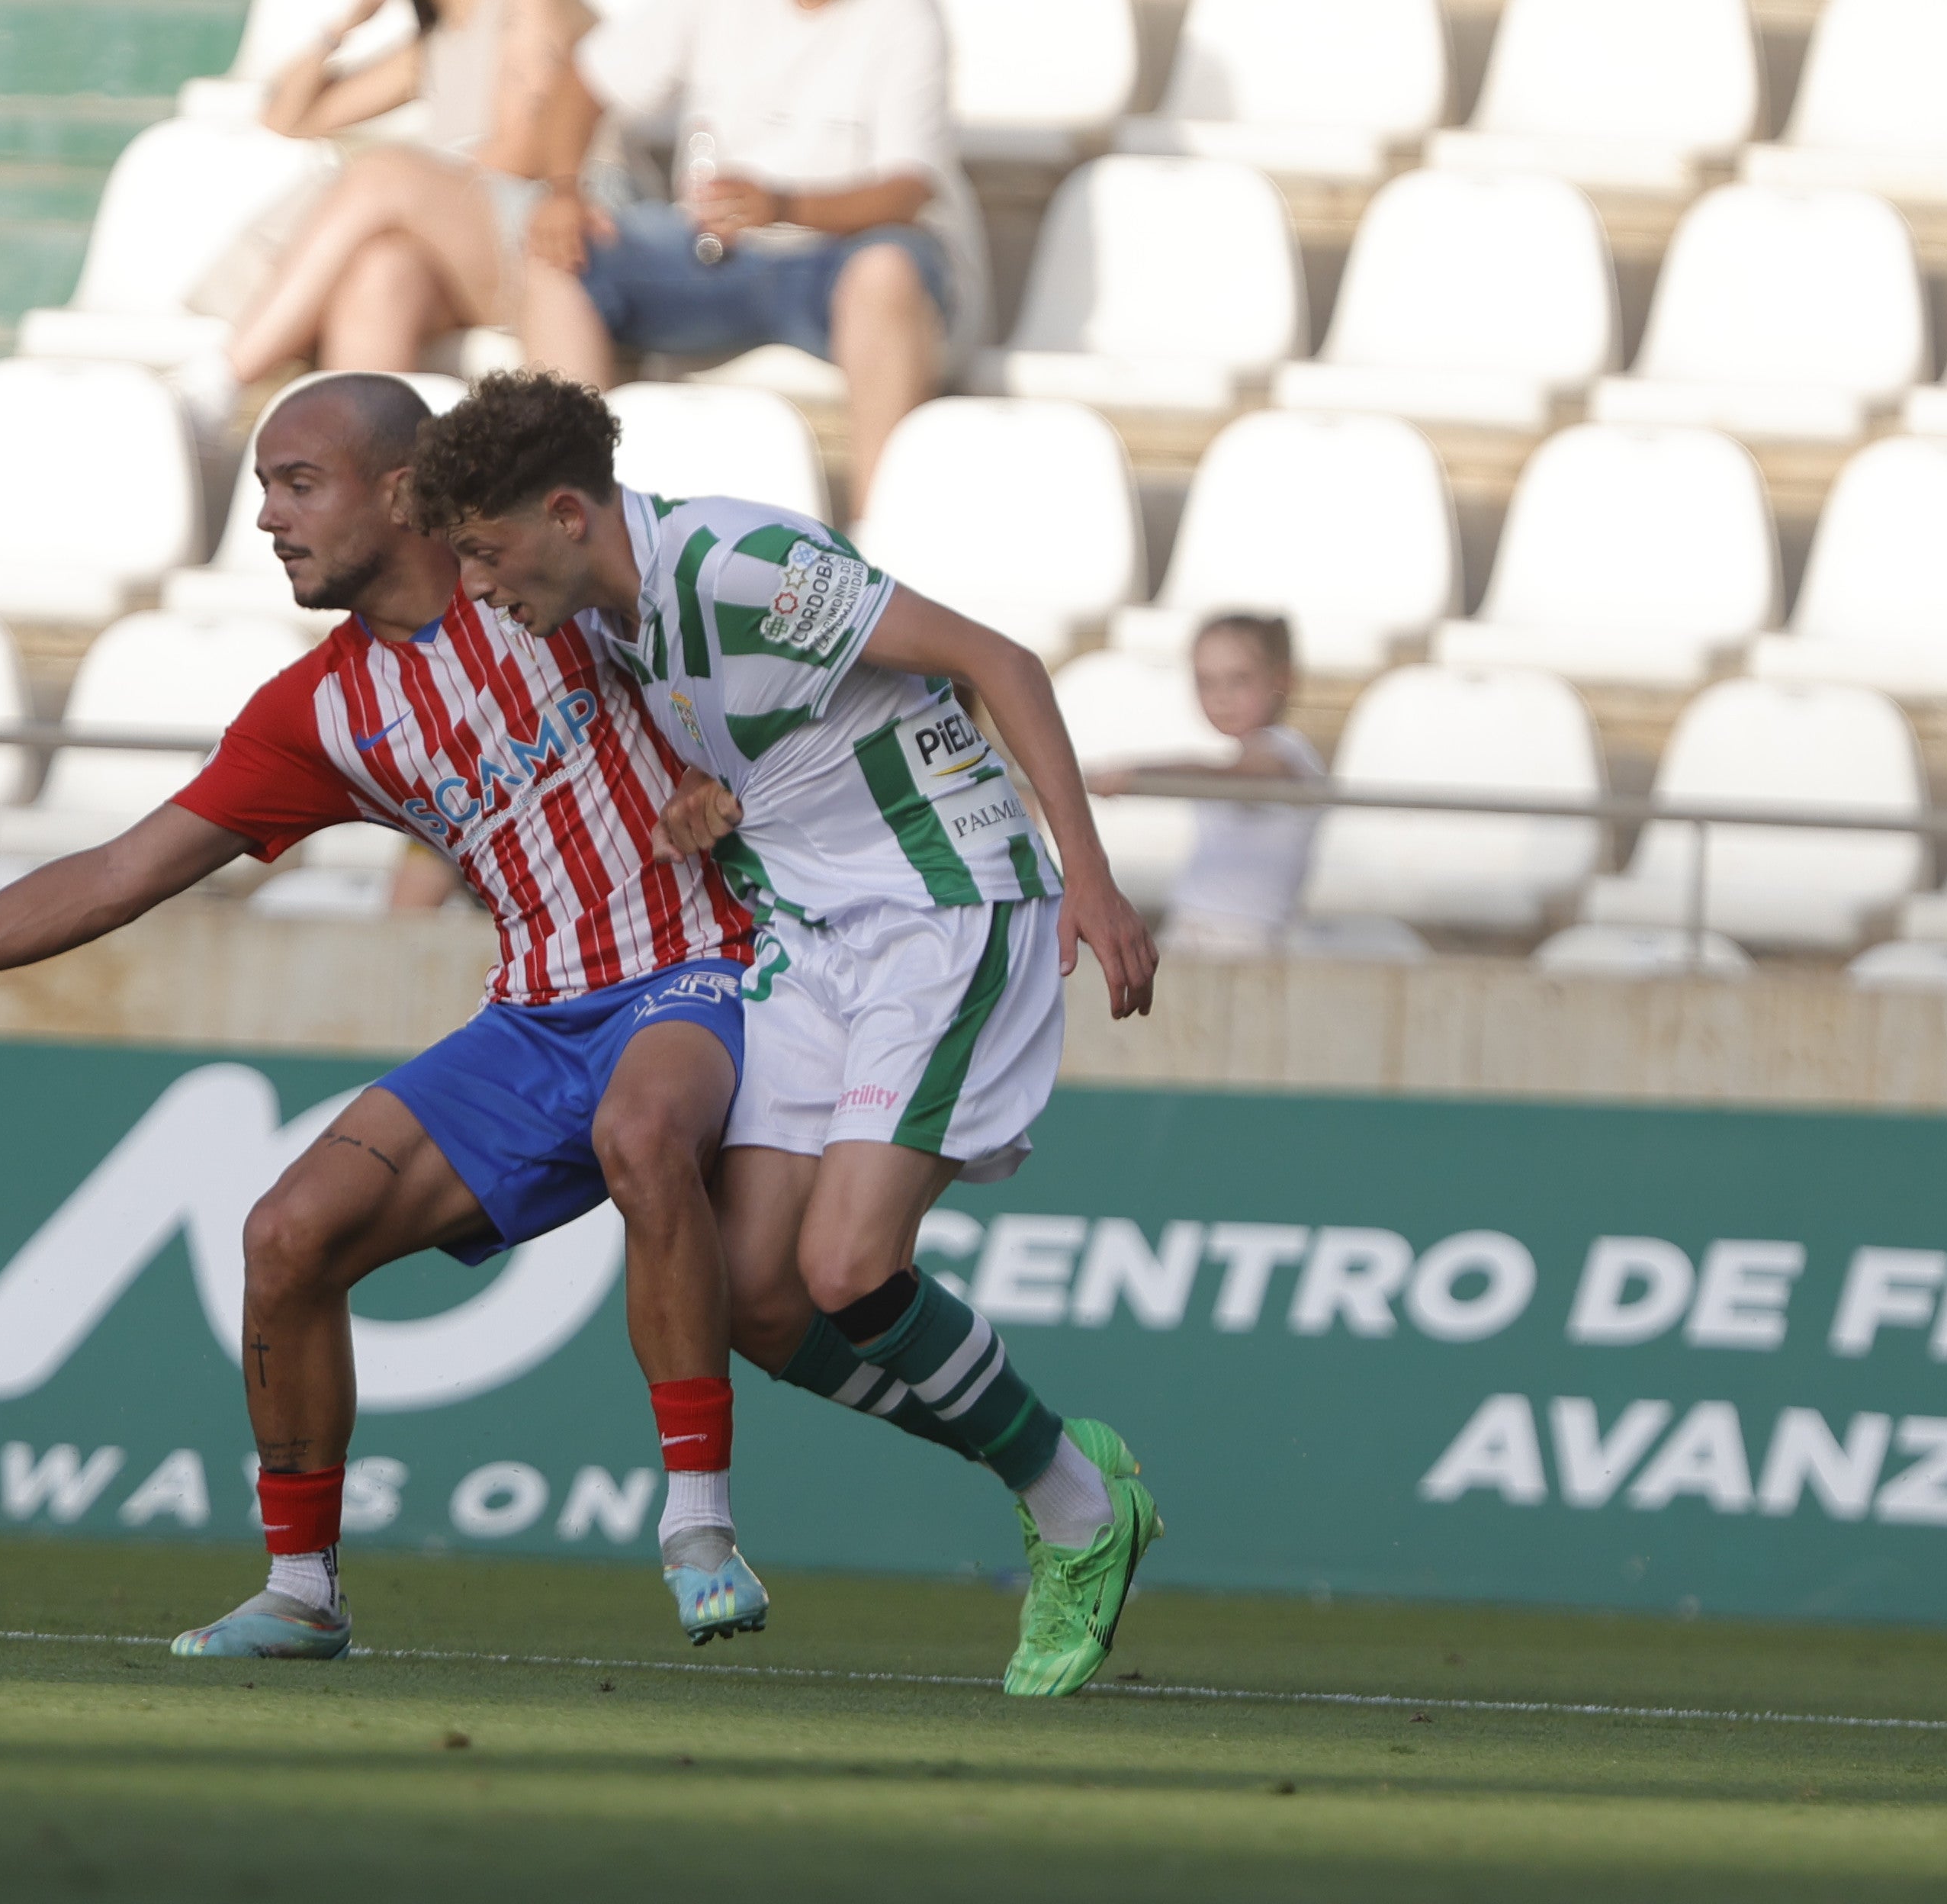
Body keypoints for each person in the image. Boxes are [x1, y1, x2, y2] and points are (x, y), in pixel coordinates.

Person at [0, 375, 777, 1660]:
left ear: (400, 489)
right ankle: (301, 1589)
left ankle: (696, 1527)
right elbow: (121, 869)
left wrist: (739, 793)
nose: (270, 522)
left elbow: (756, 663)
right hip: (531, 1018)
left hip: (703, 968)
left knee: (643, 1135)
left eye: (298, 485)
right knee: (287, 1235)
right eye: (261, 492)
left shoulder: (541, 571)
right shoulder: (320, 712)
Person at [409, 371, 1165, 1698]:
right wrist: (708, 802)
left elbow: (1000, 661)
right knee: (756, 1297)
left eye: (483, 549)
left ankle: (1074, 1509)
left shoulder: (739, 565)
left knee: (846, 1265)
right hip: (807, 942)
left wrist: (1087, 876)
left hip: (940, 908)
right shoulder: (611, 615)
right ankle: (1053, 1470)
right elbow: (774, 737)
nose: (476, 584)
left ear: (568, 513)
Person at [518, 0, 985, 501]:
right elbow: (583, 81)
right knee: (558, 257)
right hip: (713, 252)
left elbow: (907, 193)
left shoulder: (905, 17)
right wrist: (564, 190)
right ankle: (567, 522)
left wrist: (782, 204)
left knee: (886, 272)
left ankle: (880, 544)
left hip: (843, 260)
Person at [221, 0, 598, 383]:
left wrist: (416, 190)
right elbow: (287, 120)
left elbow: (525, 153)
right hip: (472, 247)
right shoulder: (431, 48)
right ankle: (364, 439)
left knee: (380, 174)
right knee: (381, 272)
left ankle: (224, 377)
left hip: (555, 230)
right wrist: (344, 26)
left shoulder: (524, 10)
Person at [1090, 615, 1325, 960]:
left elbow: (1234, 774)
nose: (1221, 698)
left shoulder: (1287, 751)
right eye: (1206, 682)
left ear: (1281, 681)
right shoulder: (1237, 754)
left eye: (1239, 680)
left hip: (1246, 945)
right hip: (1188, 930)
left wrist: (1139, 774)